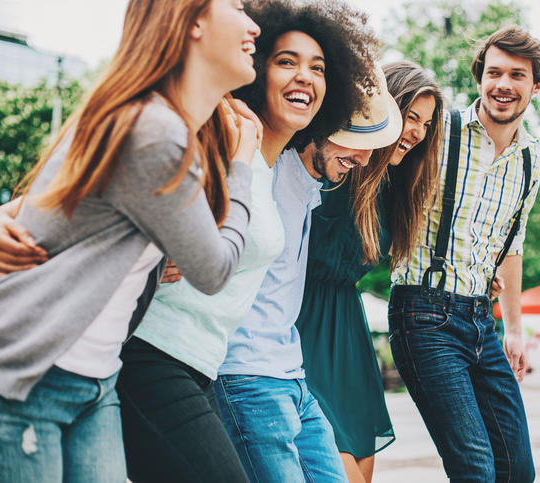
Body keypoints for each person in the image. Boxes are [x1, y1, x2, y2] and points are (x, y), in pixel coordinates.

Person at [0, 0, 380, 481]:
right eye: (286, 60)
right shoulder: (195, 133)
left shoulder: (235, 148)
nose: (251, 23)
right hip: (78, 362)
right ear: (191, 23)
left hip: (113, 374)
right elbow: (59, 197)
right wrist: (0, 218)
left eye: (318, 67)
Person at [119, 0, 378, 481]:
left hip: (205, 367)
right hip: (158, 353)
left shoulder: (263, 164)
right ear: (256, 69)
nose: (305, 76)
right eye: (286, 62)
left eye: (318, 68)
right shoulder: (220, 135)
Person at [214, 65, 402, 481]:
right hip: (246, 375)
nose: (365, 158)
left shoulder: (313, 187)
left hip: (293, 375)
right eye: (354, 140)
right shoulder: (267, 169)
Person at [388, 25, 540, 482]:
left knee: (517, 470)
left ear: (535, 86)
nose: (503, 84)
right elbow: (384, 180)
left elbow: (511, 245)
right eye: (493, 72)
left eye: (517, 75)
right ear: (480, 78)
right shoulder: (438, 131)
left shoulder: (531, 159)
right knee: (475, 468)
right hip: (423, 315)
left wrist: (514, 329)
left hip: (482, 319)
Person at [294, 60, 444, 483]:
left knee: (361, 470)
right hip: (298, 322)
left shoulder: (393, 189)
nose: (416, 131)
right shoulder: (329, 166)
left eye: (426, 124)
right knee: (336, 472)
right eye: (410, 116)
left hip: (348, 331)